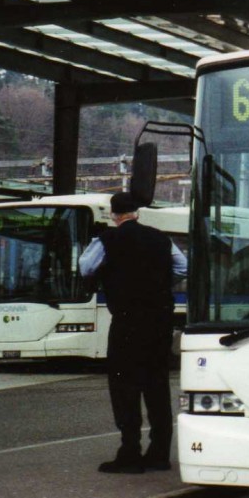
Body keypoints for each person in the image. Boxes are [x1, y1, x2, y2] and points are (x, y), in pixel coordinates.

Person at [80, 192, 187, 474]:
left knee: (124, 385)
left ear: (115, 215)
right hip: (159, 321)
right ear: (137, 212)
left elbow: (85, 267)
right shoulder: (161, 238)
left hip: (127, 320)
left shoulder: (106, 240)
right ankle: (160, 453)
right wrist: (159, 283)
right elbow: (183, 267)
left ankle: (130, 452)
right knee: (157, 384)